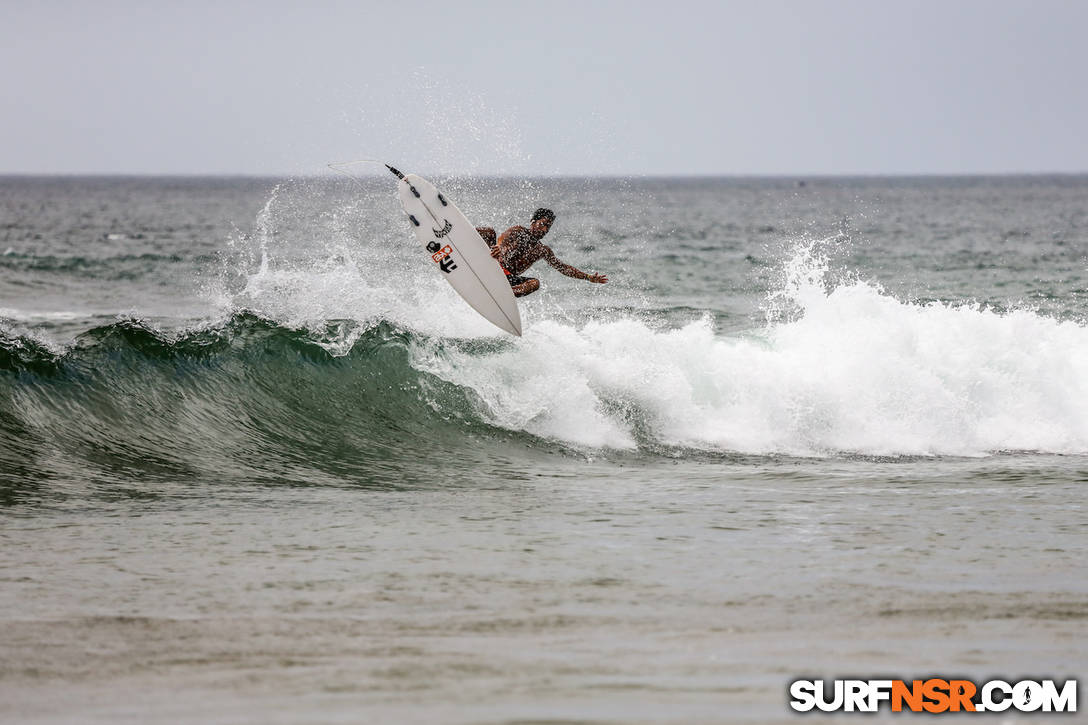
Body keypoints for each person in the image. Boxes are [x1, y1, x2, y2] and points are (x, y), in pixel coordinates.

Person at [476, 208, 608, 298]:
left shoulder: (542, 250)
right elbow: (501, 241)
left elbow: (563, 268)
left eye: (548, 227)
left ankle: (504, 295)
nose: (545, 229)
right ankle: (456, 235)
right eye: (543, 224)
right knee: (489, 232)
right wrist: (498, 248)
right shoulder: (518, 231)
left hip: (508, 280)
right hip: (493, 264)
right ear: (533, 222)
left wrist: (588, 277)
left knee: (535, 283)